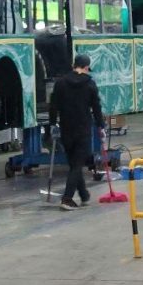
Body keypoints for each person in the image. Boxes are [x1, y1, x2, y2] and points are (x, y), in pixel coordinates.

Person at [48, 53, 106, 211]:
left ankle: (84, 195)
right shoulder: (90, 84)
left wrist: (52, 124)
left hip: (66, 129)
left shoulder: (60, 83)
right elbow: (96, 107)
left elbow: (53, 106)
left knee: (74, 164)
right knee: (77, 165)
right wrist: (101, 126)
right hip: (83, 130)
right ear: (86, 67)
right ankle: (67, 199)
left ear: (74, 65)